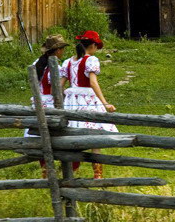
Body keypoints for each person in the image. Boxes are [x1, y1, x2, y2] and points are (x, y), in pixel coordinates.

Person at [62, 30, 117, 179]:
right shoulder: (90, 60)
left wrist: (66, 97)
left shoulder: (68, 62)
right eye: (96, 46)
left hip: (72, 101)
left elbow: (60, 85)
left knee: (72, 133)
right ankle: (97, 174)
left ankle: (70, 173)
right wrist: (104, 103)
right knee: (95, 135)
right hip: (87, 99)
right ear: (92, 45)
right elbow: (93, 82)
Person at [26, 34, 79, 178]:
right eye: (62, 49)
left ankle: (45, 170)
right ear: (57, 51)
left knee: (42, 136)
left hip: (39, 101)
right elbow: (56, 87)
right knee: (60, 134)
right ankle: (68, 167)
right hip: (50, 102)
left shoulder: (38, 62)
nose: (63, 52)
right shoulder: (54, 66)